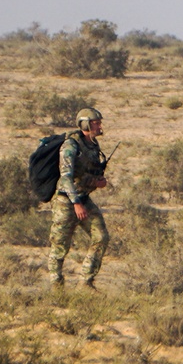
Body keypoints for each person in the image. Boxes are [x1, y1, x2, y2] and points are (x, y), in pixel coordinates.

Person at [47, 107, 110, 288]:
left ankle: (86, 282)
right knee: (59, 245)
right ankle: (56, 286)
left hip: (84, 199)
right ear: (85, 124)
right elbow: (66, 177)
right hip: (66, 201)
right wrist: (76, 203)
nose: (99, 126)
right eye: (96, 123)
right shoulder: (71, 146)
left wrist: (97, 181)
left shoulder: (92, 145)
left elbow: (86, 173)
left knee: (101, 237)